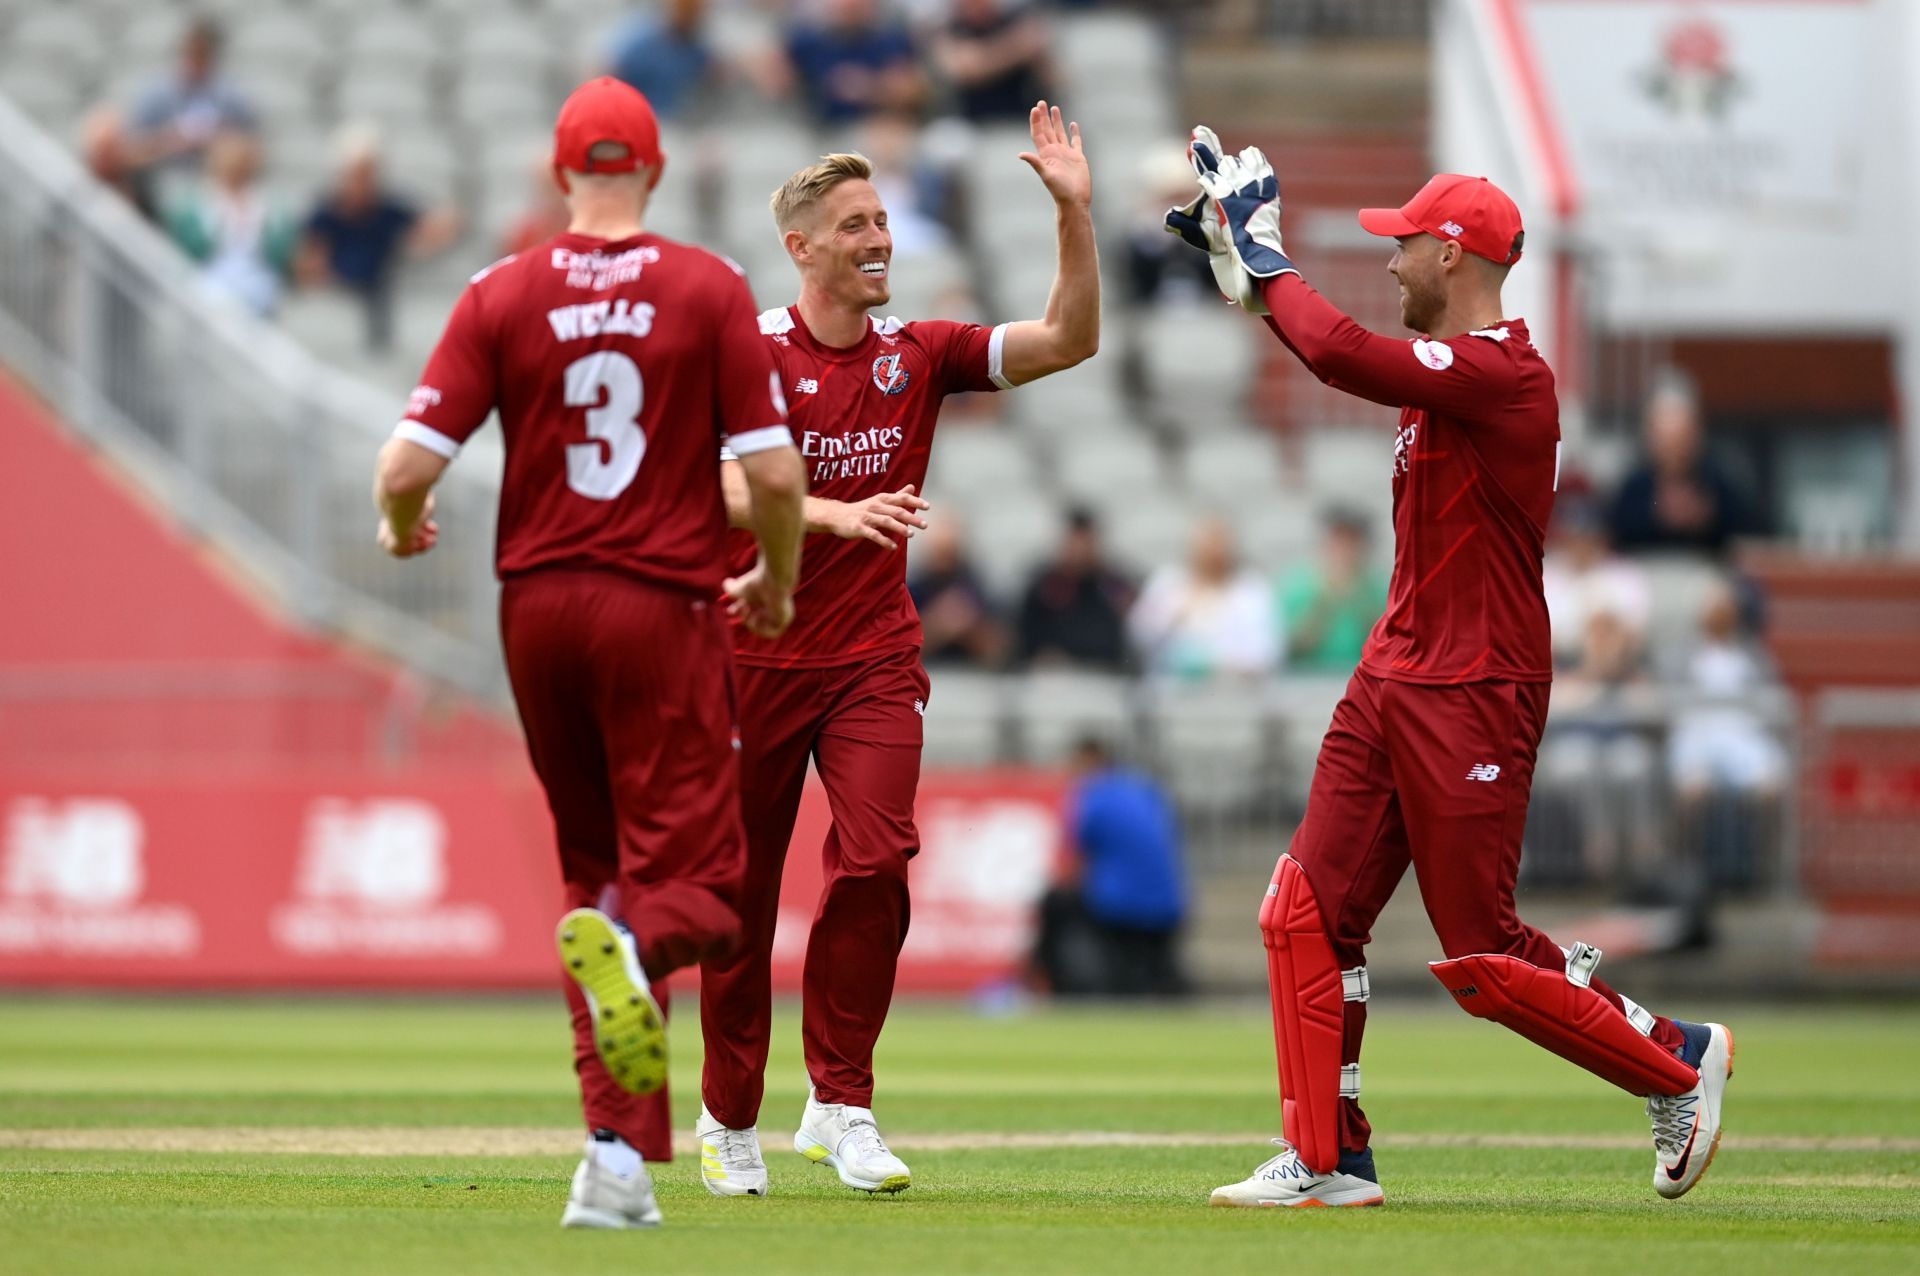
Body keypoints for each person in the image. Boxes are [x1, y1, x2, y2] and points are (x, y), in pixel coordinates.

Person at [1168, 131, 1733, 1207]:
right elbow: (1328, 343)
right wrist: (1241, 274)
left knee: (1483, 953)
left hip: (1476, 685)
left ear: (1453, 257)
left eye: (1403, 245)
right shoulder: (1453, 373)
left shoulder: (1506, 375)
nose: (1389, 262)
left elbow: (1340, 353)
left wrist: (1268, 254)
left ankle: (1678, 1059)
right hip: (1396, 669)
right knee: (1303, 909)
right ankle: (1327, 1155)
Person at [368, 77, 805, 1230]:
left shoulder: (497, 290)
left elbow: (409, 466)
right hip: (657, 607)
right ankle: (629, 943)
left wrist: (402, 525)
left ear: (562, 173)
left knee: (593, 870)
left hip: (535, 609)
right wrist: (774, 575)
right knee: (704, 896)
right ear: (653, 170)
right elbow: (771, 474)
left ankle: (612, 1164)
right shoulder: (706, 286)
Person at [688, 100, 1098, 1199]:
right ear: (802, 248)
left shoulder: (919, 355)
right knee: (736, 901)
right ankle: (730, 1118)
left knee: (874, 861)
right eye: (858, 225)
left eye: (884, 223)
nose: (880, 242)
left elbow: (1069, 341)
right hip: (753, 653)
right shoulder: (751, 353)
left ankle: (842, 1103)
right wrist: (827, 512)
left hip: (871, 658)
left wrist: (1073, 217)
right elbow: (708, 487)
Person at [1033, 737, 1188, 997]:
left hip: (1120, 904)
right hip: (1170, 903)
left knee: (1055, 903)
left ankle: (1058, 987)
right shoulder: (1145, 789)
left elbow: (1075, 860)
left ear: (1089, 761)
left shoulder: (1092, 797)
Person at [296, 127, 461, 351]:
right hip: (339, 293)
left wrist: (420, 244)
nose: (363, 181)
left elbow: (439, 224)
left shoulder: (392, 208)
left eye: (369, 172)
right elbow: (309, 260)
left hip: (382, 291)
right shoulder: (324, 211)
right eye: (357, 173)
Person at [1607, 371, 1764, 555]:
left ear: (1696, 433)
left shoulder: (1721, 483)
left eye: (1680, 439)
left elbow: (1752, 537)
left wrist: (1708, 518)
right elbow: (1613, 537)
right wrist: (1655, 516)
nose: (1673, 450)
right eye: (1665, 439)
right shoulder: (1633, 488)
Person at [162, 130, 297, 317]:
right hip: (211, 275)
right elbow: (189, 248)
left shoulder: (268, 204)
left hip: (257, 277)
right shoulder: (196, 203)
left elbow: (280, 250)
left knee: (260, 294)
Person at [1129, 515, 1280, 681]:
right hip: (1170, 687)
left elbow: (1265, 652)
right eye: (1206, 541)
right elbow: (1139, 635)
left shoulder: (1251, 592)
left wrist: (1215, 666)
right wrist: (1172, 619)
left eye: (1219, 542)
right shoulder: (1167, 583)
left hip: (1232, 691)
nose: (1212, 550)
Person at [128, 16, 257, 182]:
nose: (195, 62)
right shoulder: (155, 97)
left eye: (202, 55)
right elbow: (132, 154)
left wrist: (221, 142)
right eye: (191, 54)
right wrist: (170, 141)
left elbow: (254, 151)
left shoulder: (232, 99)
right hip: (164, 184)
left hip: (216, 188)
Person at [1015, 506, 1135, 669]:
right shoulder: (1042, 587)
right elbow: (1025, 640)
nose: (1079, 550)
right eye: (1074, 541)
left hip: (1104, 676)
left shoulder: (1114, 586)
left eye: (1085, 541)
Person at [1541, 493, 1650, 670]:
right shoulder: (1544, 573)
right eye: (1575, 536)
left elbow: (1634, 635)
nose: (1581, 544)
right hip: (1557, 667)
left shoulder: (1625, 574)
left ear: (1602, 537)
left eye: (1588, 536)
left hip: (1616, 668)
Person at [780, 0, 926, 127]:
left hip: (877, 124)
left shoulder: (892, 40)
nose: (850, 4)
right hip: (821, 128)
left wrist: (870, 87)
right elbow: (780, 83)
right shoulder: (806, 42)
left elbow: (913, 93)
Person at [1279, 506, 1388, 673]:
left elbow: (1388, 647)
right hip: (1309, 680)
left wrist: (1358, 598)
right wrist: (1326, 599)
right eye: (1338, 540)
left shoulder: (1381, 589)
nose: (1344, 549)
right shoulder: (1297, 587)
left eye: (1352, 541)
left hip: (1365, 679)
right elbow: (1291, 648)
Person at [932, 0, 1055, 124]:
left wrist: (987, 56)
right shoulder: (952, 28)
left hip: (1020, 121)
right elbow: (966, 69)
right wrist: (1017, 47)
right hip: (972, 126)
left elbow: (1051, 78)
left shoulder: (1012, 19)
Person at [907, 513, 1006, 667]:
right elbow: (902, 652)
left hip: (972, 677)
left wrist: (969, 628)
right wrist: (939, 625)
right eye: (940, 552)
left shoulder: (974, 586)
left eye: (950, 552)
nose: (944, 561)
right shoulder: (913, 590)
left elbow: (998, 651)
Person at [605, 0, 717, 120]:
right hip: (644, 119)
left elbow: (712, 68)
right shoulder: (643, 43)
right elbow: (609, 72)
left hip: (676, 121)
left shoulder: (693, 47)